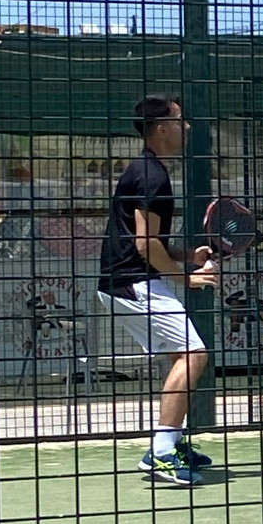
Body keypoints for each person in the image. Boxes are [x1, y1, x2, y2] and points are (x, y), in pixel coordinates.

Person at [97, 95, 220, 487]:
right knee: (195, 355)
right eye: (180, 121)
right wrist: (187, 278)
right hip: (133, 282)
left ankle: (171, 442)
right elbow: (145, 245)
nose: (187, 127)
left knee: (183, 356)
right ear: (162, 128)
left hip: (127, 280)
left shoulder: (146, 170)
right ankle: (163, 451)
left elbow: (147, 241)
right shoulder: (152, 176)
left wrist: (187, 256)